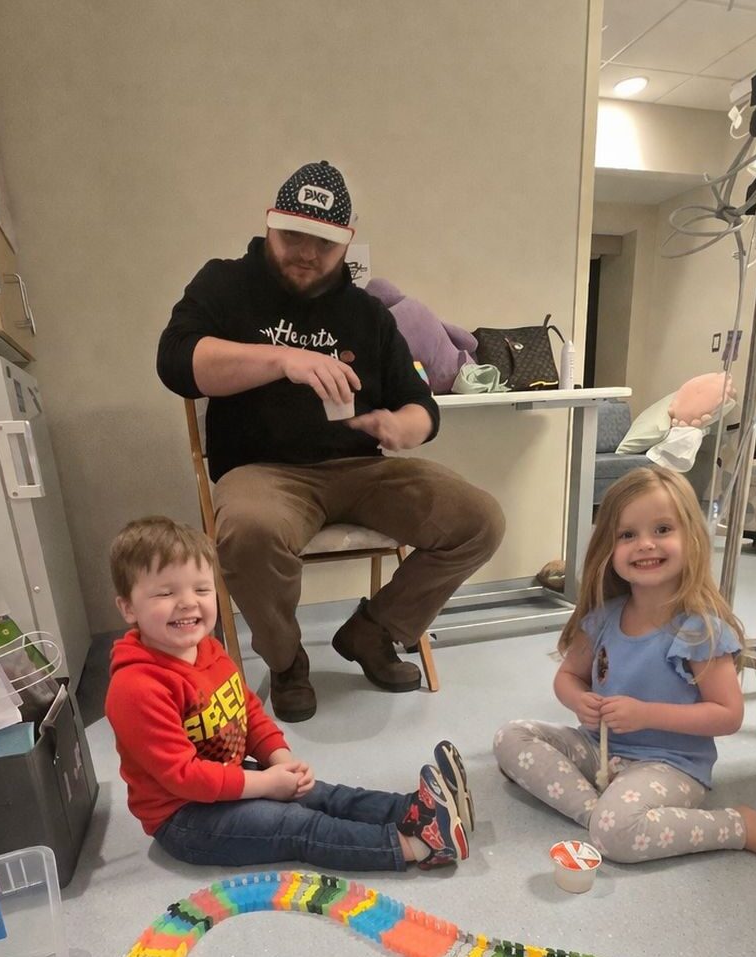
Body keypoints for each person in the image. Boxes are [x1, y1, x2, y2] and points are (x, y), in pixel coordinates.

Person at [157, 160, 505, 722]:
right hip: (263, 472)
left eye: (324, 243)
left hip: (363, 469)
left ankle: (373, 632)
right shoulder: (225, 284)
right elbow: (176, 362)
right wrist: (282, 359)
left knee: (480, 520)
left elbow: (422, 405)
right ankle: (287, 660)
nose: (306, 253)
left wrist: (406, 426)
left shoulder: (367, 313)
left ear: (346, 242)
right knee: (248, 532)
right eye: (293, 235)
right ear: (270, 223)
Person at [105, 516, 476, 873]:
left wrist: (279, 759)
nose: (188, 602)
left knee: (322, 794)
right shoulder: (137, 688)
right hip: (185, 817)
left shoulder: (208, 649)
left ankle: (418, 809)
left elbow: (248, 713)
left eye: (201, 589)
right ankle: (418, 846)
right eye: (166, 593)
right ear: (128, 608)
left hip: (228, 778)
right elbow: (184, 776)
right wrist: (266, 783)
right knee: (297, 825)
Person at [493, 467, 756, 875]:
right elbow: (568, 677)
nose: (645, 544)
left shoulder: (699, 628)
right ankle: (603, 815)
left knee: (617, 833)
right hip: (599, 748)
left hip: (671, 764)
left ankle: (739, 826)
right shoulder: (604, 617)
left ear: (692, 539)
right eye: (627, 534)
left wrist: (645, 714)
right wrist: (579, 700)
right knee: (511, 737)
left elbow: (728, 715)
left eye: (662, 529)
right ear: (608, 548)